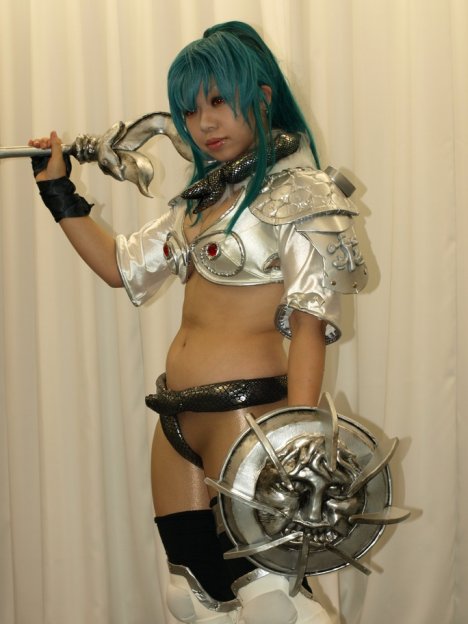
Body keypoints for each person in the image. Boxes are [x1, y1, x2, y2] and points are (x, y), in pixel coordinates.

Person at [29, 21, 367, 624]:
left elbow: (310, 321)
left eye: (218, 101)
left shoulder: (303, 195)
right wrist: (58, 193)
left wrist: (298, 442)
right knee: (192, 597)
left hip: (250, 420)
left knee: (273, 605)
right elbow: (119, 267)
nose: (205, 122)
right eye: (189, 110)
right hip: (175, 419)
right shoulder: (197, 203)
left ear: (261, 97)